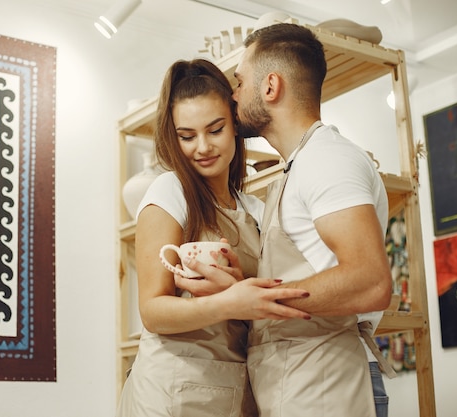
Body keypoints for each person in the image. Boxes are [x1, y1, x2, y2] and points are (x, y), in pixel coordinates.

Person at [177, 23, 394, 416]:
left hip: (330, 384)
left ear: (271, 87)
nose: (234, 94)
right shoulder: (302, 164)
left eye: (240, 81)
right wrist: (240, 290)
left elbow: (370, 281)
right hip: (304, 383)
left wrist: (256, 301)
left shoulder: (328, 160)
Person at [115, 58, 309, 417]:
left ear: (235, 124)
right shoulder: (169, 192)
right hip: (171, 390)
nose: (202, 147)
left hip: (235, 386)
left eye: (215, 129)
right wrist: (231, 302)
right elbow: (153, 311)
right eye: (186, 136)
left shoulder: (251, 207)